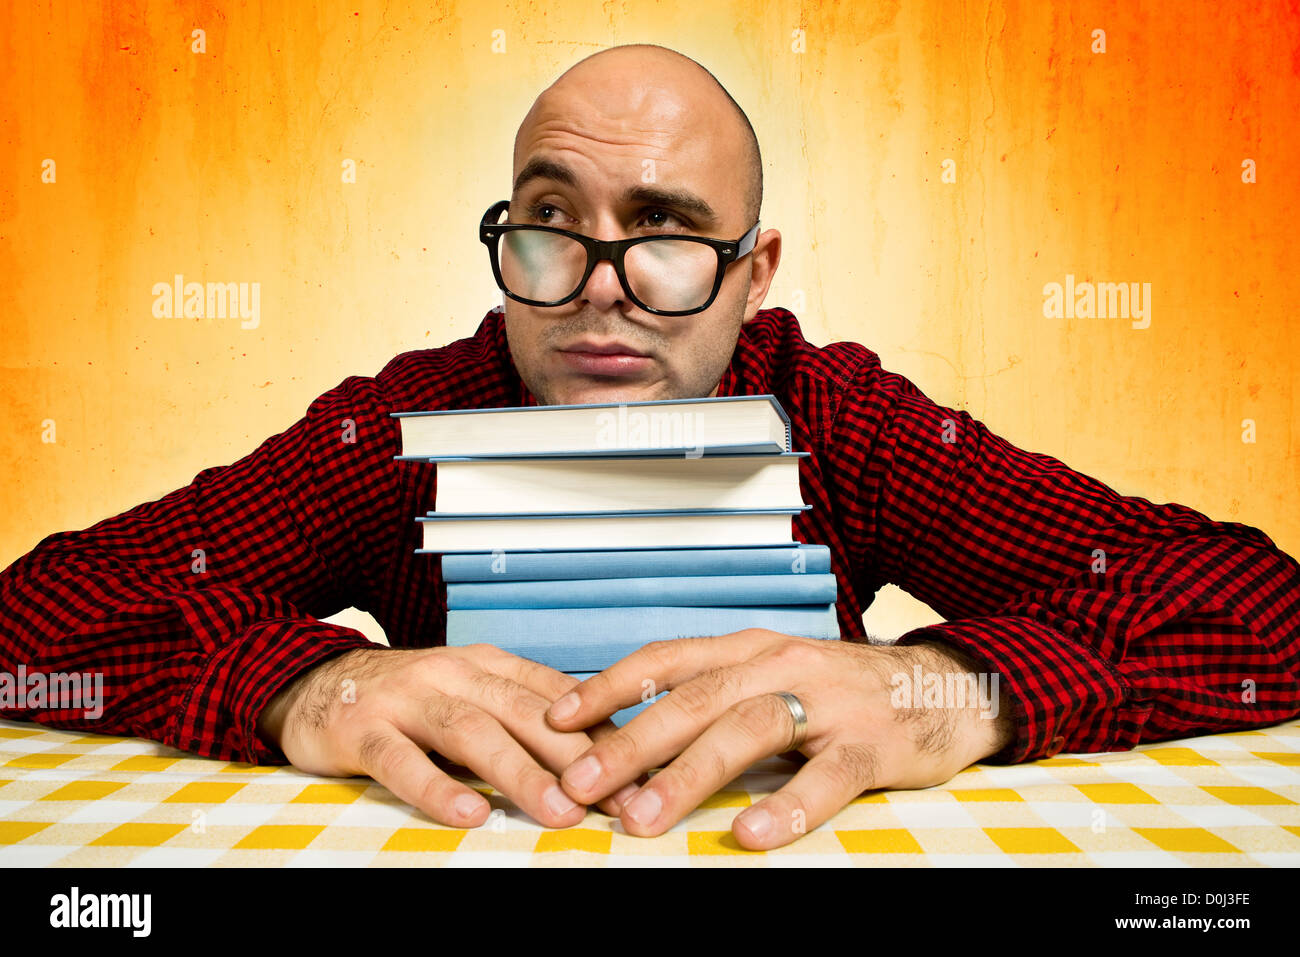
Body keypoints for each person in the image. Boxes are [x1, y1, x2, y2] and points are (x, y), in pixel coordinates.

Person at [2, 44, 1298, 852]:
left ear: (753, 271)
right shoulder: (400, 427)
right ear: (509, 243)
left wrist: (947, 687)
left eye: (670, 229)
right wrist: (304, 684)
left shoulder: (841, 418)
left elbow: (1261, 605)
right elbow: (32, 623)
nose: (601, 285)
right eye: (555, 220)